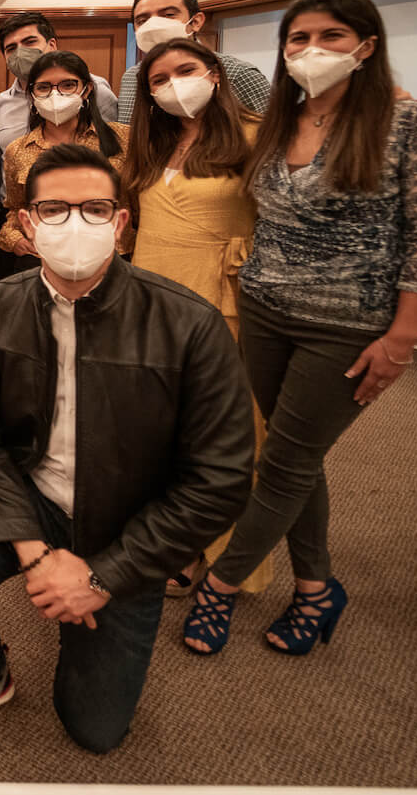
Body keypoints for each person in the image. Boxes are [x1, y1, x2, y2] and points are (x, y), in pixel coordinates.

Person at [0, 144, 254, 753]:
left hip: (129, 518)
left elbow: (221, 478)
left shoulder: (189, 323)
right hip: (30, 493)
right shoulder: (0, 305)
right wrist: (36, 555)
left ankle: (93, 617)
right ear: (26, 225)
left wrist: (104, 577)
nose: (75, 224)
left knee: (95, 729)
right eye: (54, 209)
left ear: (120, 223)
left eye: (94, 209)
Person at [183, 0, 417, 656]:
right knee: (296, 455)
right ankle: (315, 587)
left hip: (347, 323)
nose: (312, 50)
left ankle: (219, 585)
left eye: (331, 36)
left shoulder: (409, 121)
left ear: (367, 45)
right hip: (265, 310)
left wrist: (404, 337)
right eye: (298, 38)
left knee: (282, 460)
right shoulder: (282, 116)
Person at [123, 38, 272, 596]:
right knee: (159, 430)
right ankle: (174, 539)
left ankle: (227, 561)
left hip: (221, 299)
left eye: (185, 71)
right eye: (159, 80)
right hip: (150, 299)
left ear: (215, 73)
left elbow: (285, 224)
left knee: (224, 432)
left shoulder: (258, 136)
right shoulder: (150, 142)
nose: (173, 86)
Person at [0, 52, 131, 266]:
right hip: (44, 259)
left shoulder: (123, 138)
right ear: (32, 94)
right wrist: (14, 239)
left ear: (87, 89)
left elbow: (141, 204)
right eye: (43, 87)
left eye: (68, 85)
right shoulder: (17, 150)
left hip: (113, 256)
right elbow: (16, 208)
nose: (55, 95)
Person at [114, 0, 268, 123]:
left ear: (196, 22)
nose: (153, 25)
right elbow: (127, 135)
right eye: (142, 21)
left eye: (168, 15)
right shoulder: (131, 78)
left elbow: (271, 138)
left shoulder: (238, 74)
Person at [0, 12, 118, 152]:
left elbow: (113, 143)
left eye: (30, 42)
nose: (20, 52)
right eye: (11, 48)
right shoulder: (3, 102)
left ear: (52, 45)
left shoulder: (92, 88)